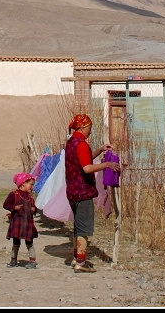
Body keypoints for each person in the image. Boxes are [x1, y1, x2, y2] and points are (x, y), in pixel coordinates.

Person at [64, 113, 120, 273]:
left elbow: (85, 159)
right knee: (83, 228)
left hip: (72, 190)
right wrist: (107, 164)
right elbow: (87, 168)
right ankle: (80, 263)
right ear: (82, 127)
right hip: (83, 191)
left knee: (78, 225)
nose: (90, 131)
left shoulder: (70, 143)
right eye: (89, 128)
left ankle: (77, 258)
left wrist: (100, 150)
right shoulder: (81, 144)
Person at [3, 172, 39, 268]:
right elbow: (5, 205)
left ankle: (32, 260)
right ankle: (13, 260)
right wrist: (14, 208)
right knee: (16, 242)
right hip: (17, 223)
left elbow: (35, 208)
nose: (32, 187)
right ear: (23, 183)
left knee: (29, 242)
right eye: (31, 184)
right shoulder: (14, 194)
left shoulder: (30, 198)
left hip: (27, 224)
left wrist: (34, 209)